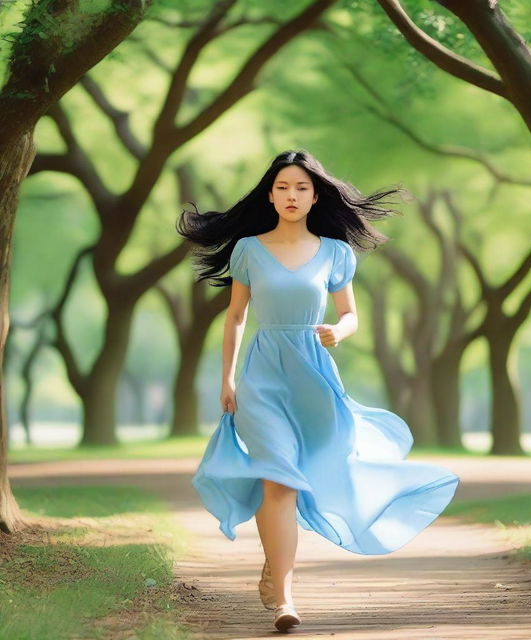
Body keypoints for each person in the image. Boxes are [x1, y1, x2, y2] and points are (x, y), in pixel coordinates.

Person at [176, 149, 460, 632]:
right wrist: (226, 377)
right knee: (278, 479)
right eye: (283, 187)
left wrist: (339, 331)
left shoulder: (336, 252)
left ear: (314, 196)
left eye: (301, 188)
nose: (291, 195)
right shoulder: (248, 248)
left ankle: (275, 564)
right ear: (270, 195)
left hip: (314, 376)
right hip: (262, 376)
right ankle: (285, 599)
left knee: (307, 476)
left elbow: (351, 315)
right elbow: (237, 317)